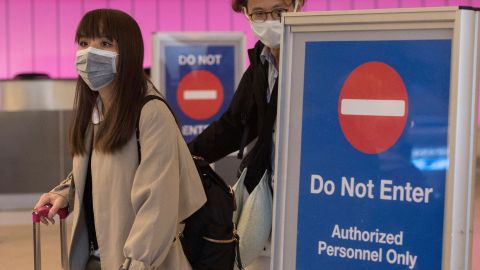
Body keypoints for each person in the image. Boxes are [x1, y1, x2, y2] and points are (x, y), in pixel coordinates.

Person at [33, 9, 206, 270]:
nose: (90, 53)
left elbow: (158, 203)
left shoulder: (150, 112)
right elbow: (103, 170)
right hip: (96, 257)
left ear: (128, 51)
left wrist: (137, 262)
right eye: (84, 43)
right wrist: (67, 192)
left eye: (105, 43)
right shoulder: (96, 107)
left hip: (137, 263)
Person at [188, 0, 305, 269]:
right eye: (260, 14)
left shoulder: (316, 56)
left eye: (280, 11)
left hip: (306, 203)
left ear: (298, 6)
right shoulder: (260, 64)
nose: (271, 20)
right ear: (246, 14)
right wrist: (182, 156)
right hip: (265, 201)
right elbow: (233, 126)